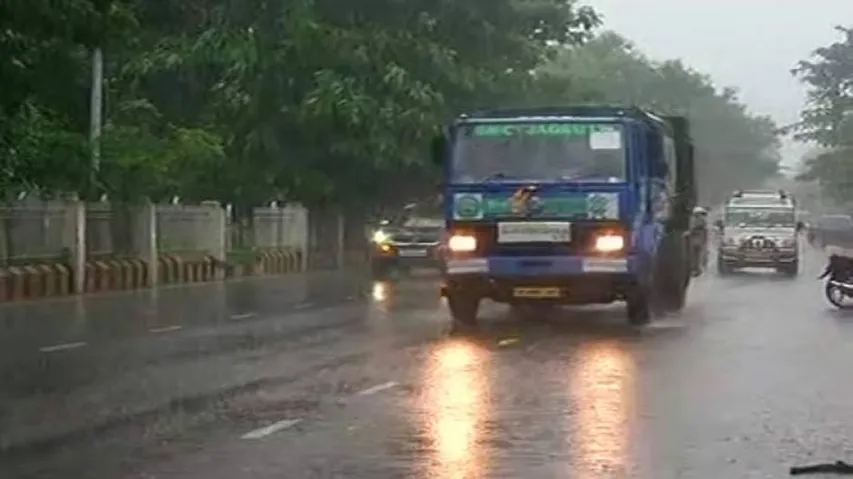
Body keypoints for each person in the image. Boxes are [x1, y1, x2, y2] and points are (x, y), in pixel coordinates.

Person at [689, 206, 709, 275]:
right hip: (699, 240)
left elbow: (695, 229)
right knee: (697, 256)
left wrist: (690, 232)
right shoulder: (702, 220)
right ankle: (697, 269)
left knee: (695, 256)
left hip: (697, 240)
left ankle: (696, 270)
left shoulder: (700, 220)